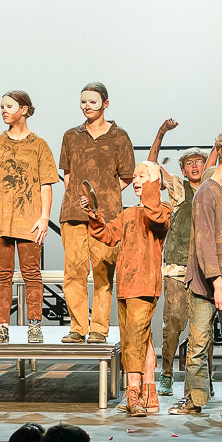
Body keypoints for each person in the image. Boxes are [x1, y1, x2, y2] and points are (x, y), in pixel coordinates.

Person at [170, 128, 222, 417]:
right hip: (207, 285)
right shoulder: (206, 193)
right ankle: (195, 400)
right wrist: (218, 285)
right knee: (199, 342)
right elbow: (204, 244)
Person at [87, 161, 170, 415]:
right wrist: (93, 215)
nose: (135, 180)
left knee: (134, 339)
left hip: (144, 285)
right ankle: (150, 394)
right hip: (125, 285)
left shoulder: (162, 210)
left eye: (141, 176)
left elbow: (155, 214)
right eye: (134, 176)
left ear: (154, 182)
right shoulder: (128, 213)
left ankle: (133, 392)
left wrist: (152, 183)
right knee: (138, 340)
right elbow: (109, 235)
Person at [56, 83, 136, 344]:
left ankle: (99, 329)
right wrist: (78, 197)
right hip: (73, 214)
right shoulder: (71, 135)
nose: (86, 106)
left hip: (107, 216)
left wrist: (102, 196)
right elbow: (67, 174)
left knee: (103, 272)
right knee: (74, 273)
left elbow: (126, 176)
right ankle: (78, 328)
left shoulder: (119, 136)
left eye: (92, 102)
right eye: (83, 102)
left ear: (105, 104)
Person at [0, 90, 56, 345]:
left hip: (29, 219)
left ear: (23, 109)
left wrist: (44, 217)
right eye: (2, 106)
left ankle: (34, 325)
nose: (4, 110)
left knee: (32, 273)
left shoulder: (39, 145)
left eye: (9, 106)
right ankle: (2, 326)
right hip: (0, 218)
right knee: (2, 273)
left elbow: (46, 184)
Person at [146, 118, 208, 397]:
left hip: (206, 268)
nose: (195, 166)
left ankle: (197, 383)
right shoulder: (178, 188)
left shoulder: (212, 188)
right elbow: (150, 166)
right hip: (176, 267)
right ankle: (167, 373)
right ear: (183, 169)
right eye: (190, 163)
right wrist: (160, 133)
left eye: (200, 162)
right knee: (173, 322)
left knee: (202, 327)